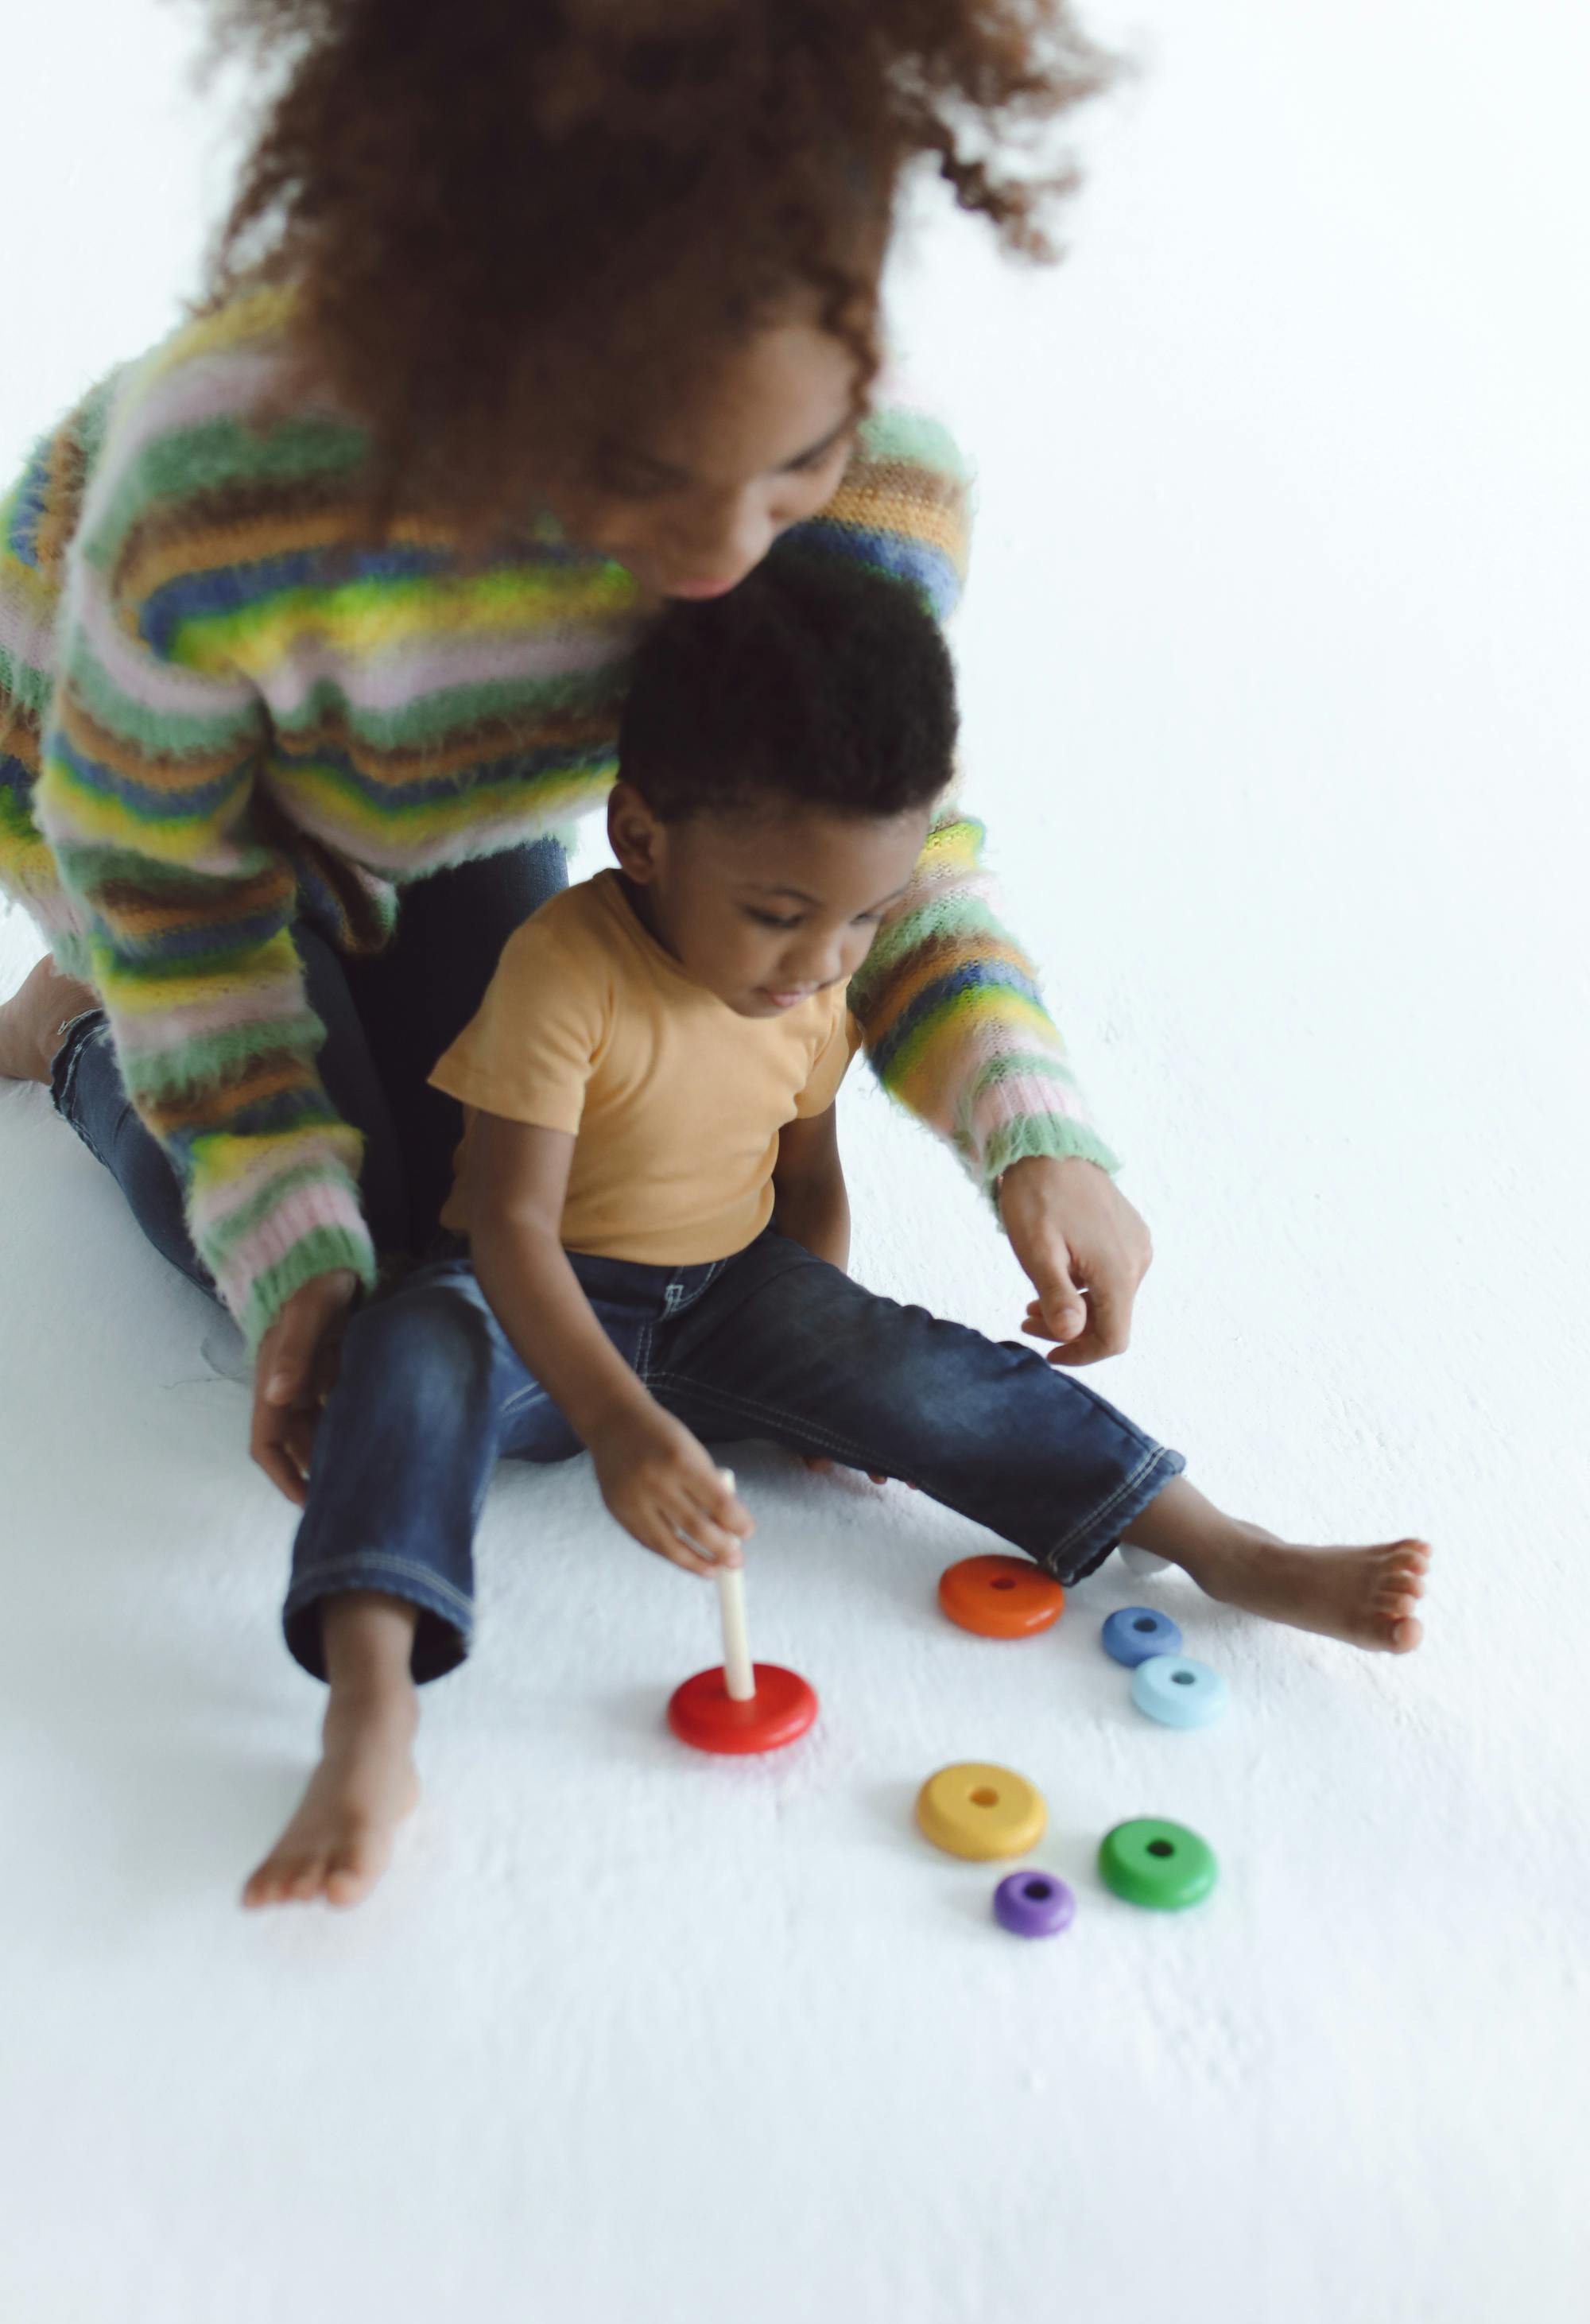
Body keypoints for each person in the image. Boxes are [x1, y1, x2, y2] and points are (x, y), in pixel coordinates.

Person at [0, 1, 1150, 1502]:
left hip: (453, 789)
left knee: (459, 1230)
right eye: (644, 484)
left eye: (792, 465)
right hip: (132, 797)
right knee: (328, 1254)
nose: (732, 556)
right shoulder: (233, 486)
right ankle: (70, 1034)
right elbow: (162, 876)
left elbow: (860, 837)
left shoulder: (878, 479)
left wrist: (1034, 1128)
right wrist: (278, 1239)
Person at [242, 552, 1429, 1911]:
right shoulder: (566, 968)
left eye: (864, 916)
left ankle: (1227, 1546)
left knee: (923, 1369)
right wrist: (621, 1425)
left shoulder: (819, 983)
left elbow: (807, 1171)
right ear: (641, 837)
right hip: (538, 1299)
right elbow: (509, 1225)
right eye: (777, 914)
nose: (819, 959)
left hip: (729, 1291)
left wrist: (819, 1351)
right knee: (410, 1347)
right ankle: (373, 1711)